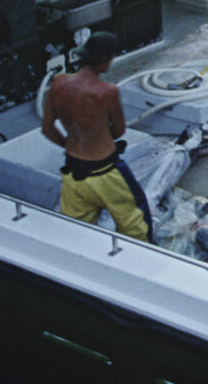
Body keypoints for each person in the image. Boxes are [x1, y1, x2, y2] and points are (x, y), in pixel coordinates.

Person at [40, 33, 151, 241]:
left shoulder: (58, 83)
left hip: (74, 172)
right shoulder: (107, 91)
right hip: (106, 172)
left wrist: (70, 144)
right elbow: (119, 131)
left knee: (76, 230)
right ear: (104, 59)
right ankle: (142, 263)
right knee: (136, 223)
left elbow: (47, 128)